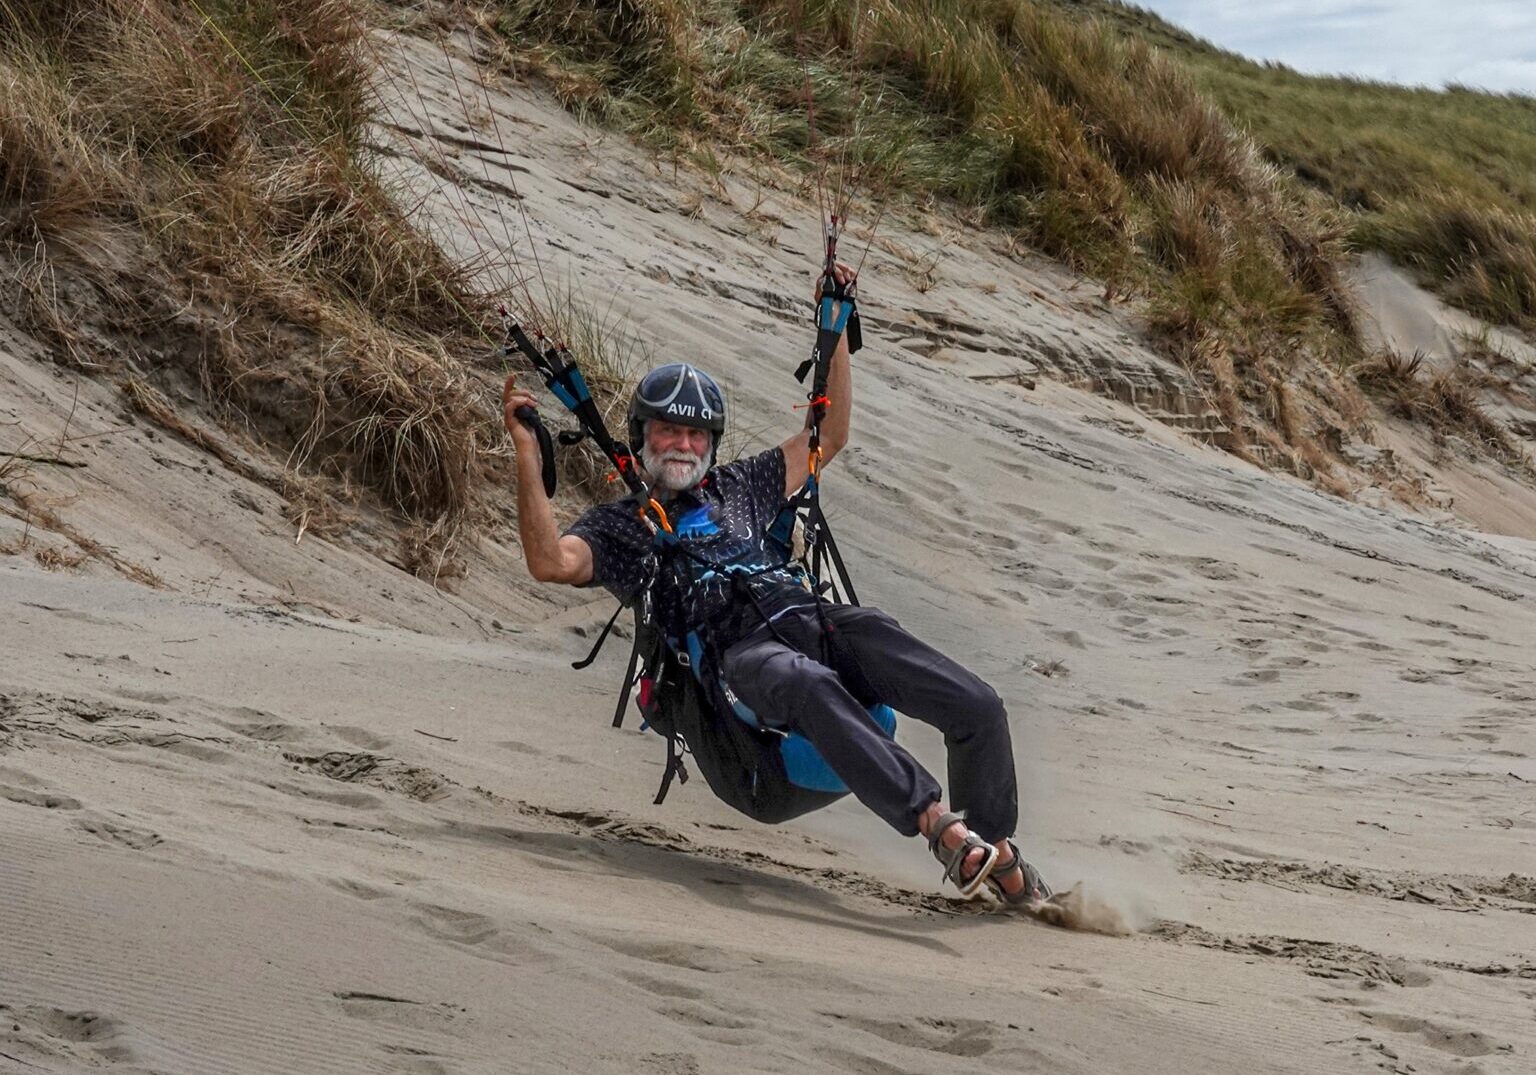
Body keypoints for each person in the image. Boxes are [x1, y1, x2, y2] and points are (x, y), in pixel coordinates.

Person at [500, 264, 1050, 905]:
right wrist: (526, 457)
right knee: (803, 681)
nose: (682, 444)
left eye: (695, 433)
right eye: (668, 431)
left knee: (974, 702)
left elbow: (830, 436)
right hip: (739, 662)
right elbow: (550, 562)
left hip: (811, 620)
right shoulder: (621, 526)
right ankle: (938, 828)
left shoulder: (744, 485)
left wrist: (836, 330)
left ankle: (1000, 853)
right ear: (641, 438)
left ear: (712, 442)